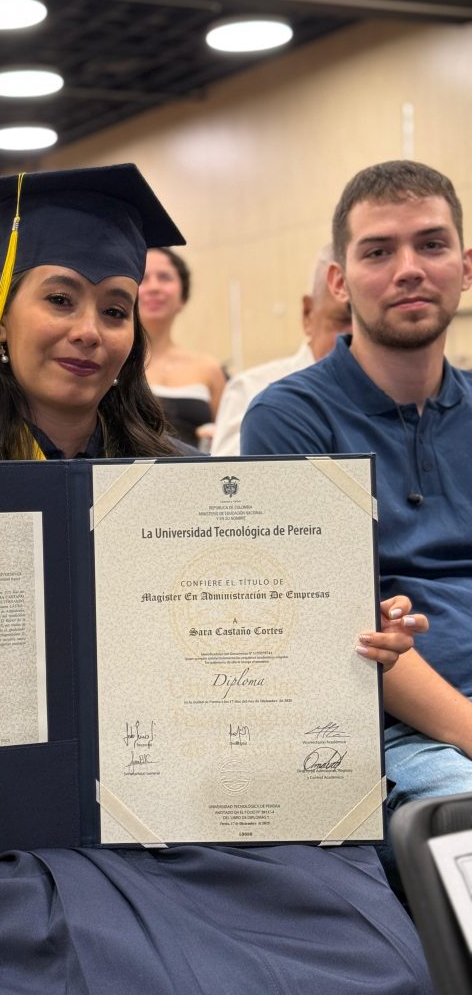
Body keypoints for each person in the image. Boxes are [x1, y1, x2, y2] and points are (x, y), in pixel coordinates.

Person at [0, 167, 432, 995]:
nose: (88, 331)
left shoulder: (188, 488)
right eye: (60, 299)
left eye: (114, 308)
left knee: (373, 951)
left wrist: (351, 633)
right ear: (2, 317)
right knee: (104, 969)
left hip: (193, 815)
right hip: (2, 836)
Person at [241, 160, 472, 834]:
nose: (409, 269)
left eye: (431, 244)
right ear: (339, 282)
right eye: (378, 251)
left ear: (465, 267)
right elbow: (334, 624)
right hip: (396, 727)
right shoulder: (289, 418)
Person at [210, 244, 351, 456]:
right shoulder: (249, 393)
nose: (358, 339)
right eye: (344, 321)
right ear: (308, 313)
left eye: (371, 327)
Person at [139, 246, 226, 447]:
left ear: (183, 297)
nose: (154, 287)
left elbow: (228, 441)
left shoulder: (209, 369)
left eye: (164, 277)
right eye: (143, 278)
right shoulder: (113, 365)